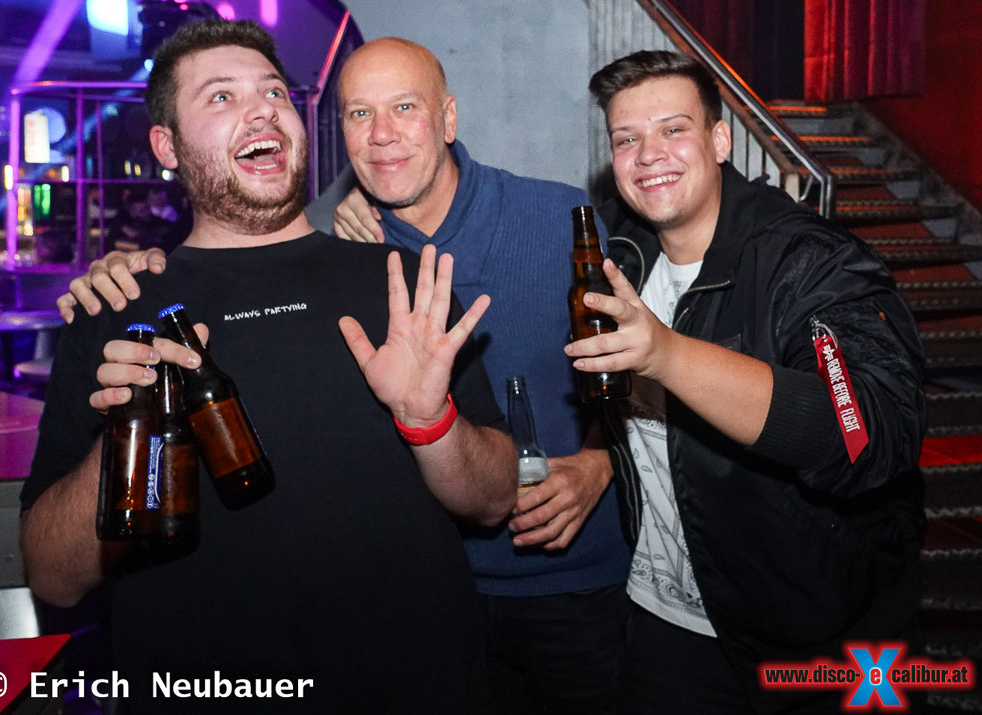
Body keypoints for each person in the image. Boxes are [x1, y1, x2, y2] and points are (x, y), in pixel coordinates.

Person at [57, 36, 633, 714]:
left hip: (566, 585)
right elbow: (56, 574)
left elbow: (639, 361)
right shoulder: (339, 244)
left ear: (448, 118)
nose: (382, 133)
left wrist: (601, 460)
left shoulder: (555, 220)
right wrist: (130, 335)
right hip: (436, 602)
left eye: (404, 107)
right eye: (360, 113)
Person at [568, 50, 926, 712]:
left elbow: (867, 436)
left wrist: (669, 355)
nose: (648, 155)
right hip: (660, 625)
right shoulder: (621, 251)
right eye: (626, 139)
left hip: (808, 641)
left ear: (720, 140)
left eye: (673, 129)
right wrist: (596, 457)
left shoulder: (809, 260)